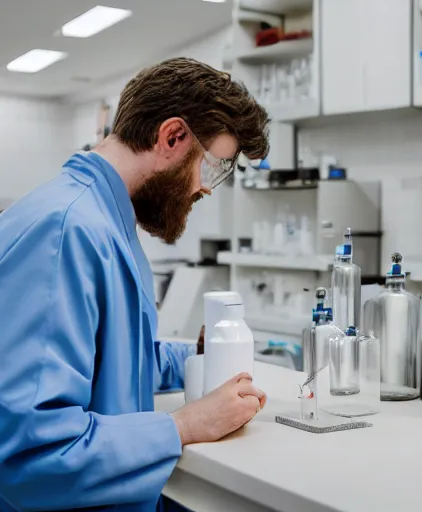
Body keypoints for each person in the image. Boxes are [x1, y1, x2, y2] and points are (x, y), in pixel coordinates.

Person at [0, 58, 270, 511]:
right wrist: (184, 425)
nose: (206, 189)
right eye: (213, 169)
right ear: (172, 137)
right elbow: (32, 456)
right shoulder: (67, 230)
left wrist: (195, 357)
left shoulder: (106, 222)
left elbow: (114, 361)